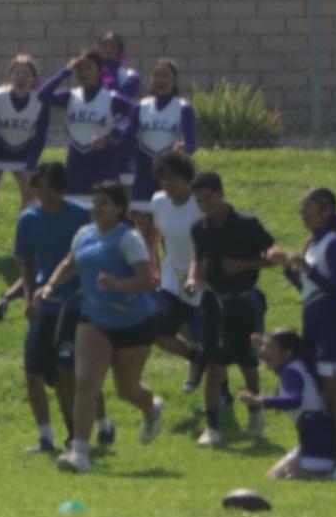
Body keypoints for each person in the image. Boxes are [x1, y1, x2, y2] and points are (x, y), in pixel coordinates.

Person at [36, 182, 164, 474]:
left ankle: (150, 408)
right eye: (95, 202)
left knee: (126, 389)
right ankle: (79, 453)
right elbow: (70, 264)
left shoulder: (128, 238)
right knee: (86, 382)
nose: (97, 208)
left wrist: (119, 285)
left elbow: (148, 281)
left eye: (104, 203)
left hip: (133, 322)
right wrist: (50, 286)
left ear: (119, 209)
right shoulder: (84, 234)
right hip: (94, 319)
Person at [272, 187, 336, 481]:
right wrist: (290, 270)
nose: (304, 216)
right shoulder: (314, 243)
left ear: (326, 211)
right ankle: (325, 460)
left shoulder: (334, 242)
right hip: (315, 329)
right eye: (302, 211)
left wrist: (308, 270)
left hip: (333, 331)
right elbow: (311, 290)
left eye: (309, 210)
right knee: (323, 397)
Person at [187, 171, 274, 448]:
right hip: (213, 302)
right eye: (199, 200)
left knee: (247, 363)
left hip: (243, 301)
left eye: (209, 198)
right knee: (213, 364)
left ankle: (255, 408)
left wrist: (242, 265)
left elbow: (274, 257)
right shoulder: (200, 228)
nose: (205, 204)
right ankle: (212, 426)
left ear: (222, 194)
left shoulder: (247, 224)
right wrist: (193, 277)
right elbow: (199, 256)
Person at [12, 163, 91, 456]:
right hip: (43, 306)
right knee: (33, 373)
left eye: (50, 187)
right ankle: (45, 438)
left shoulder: (82, 218)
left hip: (75, 304)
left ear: (61, 188)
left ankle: (75, 433)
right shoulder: (28, 220)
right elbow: (27, 263)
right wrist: (28, 297)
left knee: (66, 371)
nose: (44, 193)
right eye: (39, 186)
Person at [0, 53, 52, 264]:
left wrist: (30, 165)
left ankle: (21, 243)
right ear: (10, 76)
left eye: (26, 73)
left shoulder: (39, 102)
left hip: (23, 152)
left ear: (33, 79)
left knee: (30, 192)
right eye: (17, 72)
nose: (21, 77)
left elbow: (40, 137)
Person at [39, 49, 135, 210]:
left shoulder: (111, 98)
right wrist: (66, 70)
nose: (82, 73)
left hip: (103, 167)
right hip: (75, 167)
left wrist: (112, 137)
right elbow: (42, 95)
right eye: (79, 68)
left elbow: (138, 118)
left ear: (99, 71)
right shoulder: (70, 97)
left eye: (88, 68)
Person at [239, 329, 336, 481]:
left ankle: (326, 475)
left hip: (319, 441)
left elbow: (294, 399)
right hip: (319, 439)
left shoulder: (290, 371)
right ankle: (323, 471)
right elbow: (277, 364)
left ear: (287, 354)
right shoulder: (295, 365)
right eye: (265, 346)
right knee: (274, 476)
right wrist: (262, 349)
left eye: (270, 347)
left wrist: (260, 400)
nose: (264, 351)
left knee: (289, 477)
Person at [143, 149, 204, 380]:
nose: (167, 183)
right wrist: (151, 262)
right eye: (163, 177)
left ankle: (221, 390)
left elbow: (205, 244)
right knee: (158, 330)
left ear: (187, 178)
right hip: (171, 276)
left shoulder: (200, 204)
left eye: (173, 178)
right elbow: (157, 232)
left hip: (202, 276)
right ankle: (194, 358)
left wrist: (196, 275)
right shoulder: (158, 201)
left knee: (205, 335)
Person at [128, 60, 196, 237]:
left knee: (169, 233)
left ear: (175, 81)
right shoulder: (141, 107)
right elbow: (126, 136)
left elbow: (191, 144)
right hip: (144, 175)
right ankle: (149, 266)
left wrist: (183, 148)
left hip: (170, 177)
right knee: (144, 235)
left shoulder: (183, 107)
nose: (160, 79)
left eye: (165, 75)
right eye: (156, 75)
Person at [97, 31, 142, 104]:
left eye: (113, 46)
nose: (108, 49)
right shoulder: (91, 73)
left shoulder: (132, 75)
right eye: (104, 46)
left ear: (119, 50)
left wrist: (108, 68)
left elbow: (120, 99)